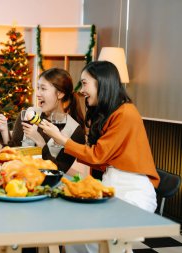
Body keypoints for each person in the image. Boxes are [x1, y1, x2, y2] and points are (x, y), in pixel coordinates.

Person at [39, 61, 160, 253]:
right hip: (112, 185)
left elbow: (97, 156)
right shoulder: (112, 113)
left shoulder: (126, 113)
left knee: (96, 240)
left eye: (85, 83)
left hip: (133, 192)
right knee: (77, 236)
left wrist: (62, 139)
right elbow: (98, 156)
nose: (82, 90)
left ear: (101, 83)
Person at [0, 68, 85, 173]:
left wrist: (40, 143)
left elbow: (58, 172)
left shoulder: (75, 132)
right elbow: (12, 156)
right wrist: (4, 130)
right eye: (38, 88)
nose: (38, 94)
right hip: (17, 181)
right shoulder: (27, 115)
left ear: (60, 94)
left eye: (43, 88)